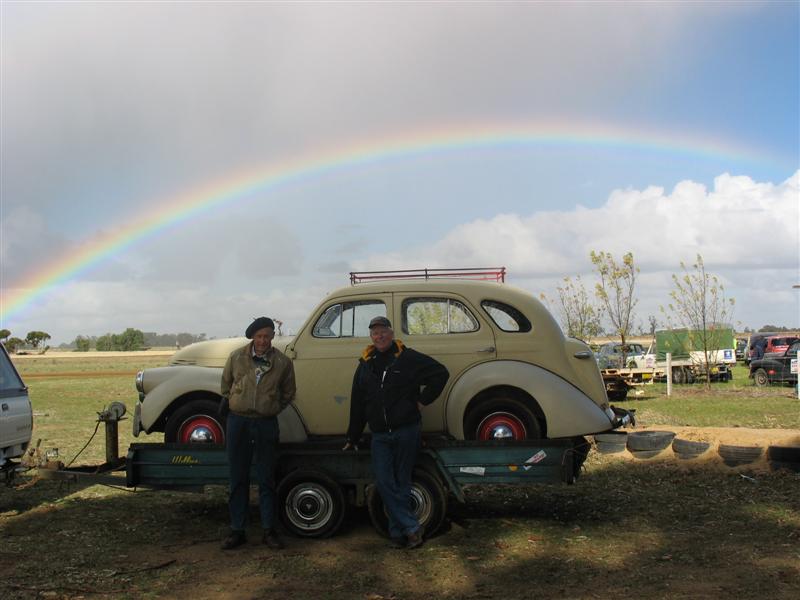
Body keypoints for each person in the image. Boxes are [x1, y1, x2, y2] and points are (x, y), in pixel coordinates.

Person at [344, 316, 449, 549]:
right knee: (384, 482)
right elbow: (358, 403)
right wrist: (353, 436)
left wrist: (422, 401)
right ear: (371, 337)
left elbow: (440, 374)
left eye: (383, 331)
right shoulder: (365, 364)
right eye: (375, 333)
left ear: (391, 334)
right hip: (380, 435)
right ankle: (412, 528)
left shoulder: (408, 358)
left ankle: (397, 533)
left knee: (402, 482)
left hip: (406, 430)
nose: (379, 336)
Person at [219, 317, 296, 550]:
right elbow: (225, 386)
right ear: (253, 336)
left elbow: (288, 393)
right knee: (237, 478)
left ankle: (268, 530)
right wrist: (236, 402)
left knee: (266, 479)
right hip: (238, 423)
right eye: (259, 336)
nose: (263, 340)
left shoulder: (282, 362)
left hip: (265, 424)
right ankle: (237, 530)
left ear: (273, 337)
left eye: (267, 336)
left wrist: (271, 406)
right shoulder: (236, 358)